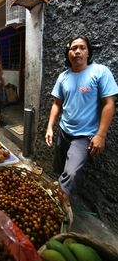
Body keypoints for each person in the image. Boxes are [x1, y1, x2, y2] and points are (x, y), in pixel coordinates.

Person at [45, 35, 118, 196]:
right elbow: (57, 104)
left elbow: (109, 103)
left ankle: (61, 208)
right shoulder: (63, 77)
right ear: (68, 52)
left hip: (85, 136)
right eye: (73, 48)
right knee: (61, 167)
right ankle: (62, 193)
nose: (77, 51)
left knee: (70, 174)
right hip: (64, 132)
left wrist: (101, 135)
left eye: (82, 48)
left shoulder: (100, 72)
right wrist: (50, 127)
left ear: (88, 53)